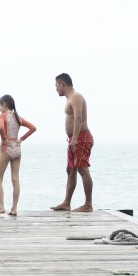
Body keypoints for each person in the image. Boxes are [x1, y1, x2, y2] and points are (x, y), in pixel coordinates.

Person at [51, 73, 93, 212]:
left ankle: (88, 204)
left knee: (82, 168)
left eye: (57, 85)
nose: (56, 88)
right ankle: (66, 202)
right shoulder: (69, 98)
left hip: (81, 137)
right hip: (73, 139)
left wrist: (75, 138)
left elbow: (78, 118)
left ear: (63, 83)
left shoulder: (76, 97)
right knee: (71, 170)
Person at [0, 94, 37, 216]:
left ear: (4, 104)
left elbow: (1, 127)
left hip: (6, 148)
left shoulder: (2, 116)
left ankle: (1, 206)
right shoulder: (18, 117)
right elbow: (33, 128)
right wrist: (21, 139)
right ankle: (14, 208)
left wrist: (4, 138)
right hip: (17, 148)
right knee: (15, 179)